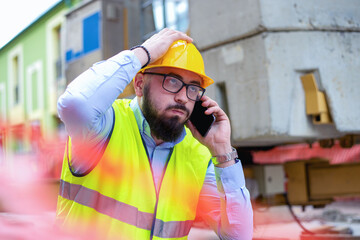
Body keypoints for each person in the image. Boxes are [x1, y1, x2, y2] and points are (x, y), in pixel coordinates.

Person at [56, 29, 253, 239]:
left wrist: (223, 151)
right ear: (140, 84)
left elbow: (238, 236)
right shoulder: (103, 126)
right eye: (172, 81)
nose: (183, 98)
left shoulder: (199, 154)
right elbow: (73, 104)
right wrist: (143, 53)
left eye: (193, 88)